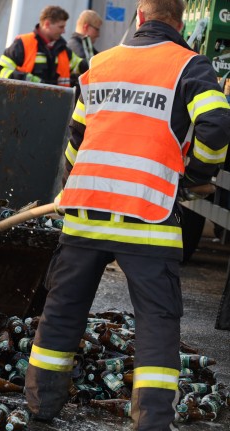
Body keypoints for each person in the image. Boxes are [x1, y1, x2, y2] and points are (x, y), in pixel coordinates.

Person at [25, 1, 230, 430]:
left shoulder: (100, 62)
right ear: (178, 23)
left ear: (139, 18)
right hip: (148, 216)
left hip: (85, 213)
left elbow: (76, 138)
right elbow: (216, 124)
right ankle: (152, 422)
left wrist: (72, 185)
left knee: (62, 311)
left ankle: (41, 406)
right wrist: (194, 174)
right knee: (156, 323)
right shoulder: (190, 65)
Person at [0, 5, 87, 87]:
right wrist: (26, 79)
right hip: (24, 103)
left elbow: (80, 65)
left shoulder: (63, 49)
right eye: (61, 27)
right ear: (47, 24)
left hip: (56, 105)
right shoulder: (23, 44)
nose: (64, 31)